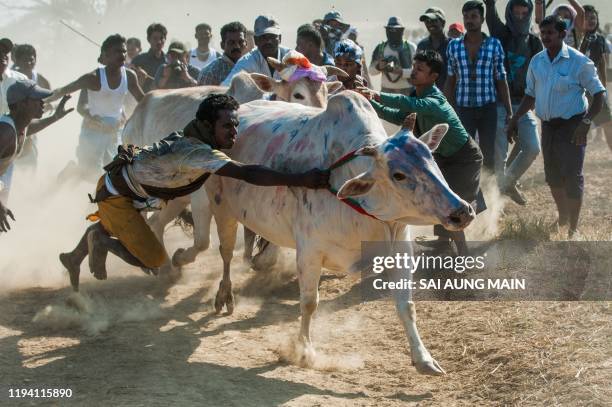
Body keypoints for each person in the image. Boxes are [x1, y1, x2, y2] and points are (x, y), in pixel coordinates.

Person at [59, 94, 330, 290]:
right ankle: (100, 240)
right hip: (120, 196)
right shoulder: (197, 153)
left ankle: (73, 258)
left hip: (116, 184)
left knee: (111, 221)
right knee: (154, 261)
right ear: (207, 125)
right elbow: (247, 173)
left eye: (236, 125)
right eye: (227, 126)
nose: (234, 133)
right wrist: (300, 179)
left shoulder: (193, 136)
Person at [358, 50, 483, 254]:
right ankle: (444, 243)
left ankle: (464, 254)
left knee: (454, 204)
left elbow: (409, 105)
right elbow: (397, 115)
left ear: (433, 77)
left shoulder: (434, 100)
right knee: (441, 197)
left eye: (420, 69)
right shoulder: (416, 95)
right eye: (414, 67)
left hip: (464, 158)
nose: (414, 72)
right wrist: (367, 100)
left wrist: (375, 94)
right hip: (443, 156)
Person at [507, 15, 605, 238]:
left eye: (550, 33)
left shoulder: (579, 62)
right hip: (549, 127)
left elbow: (599, 95)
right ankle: (563, 217)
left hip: (573, 126)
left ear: (562, 34)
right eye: (543, 33)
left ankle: (573, 228)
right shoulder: (537, 61)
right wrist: (515, 118)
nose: (545, 37)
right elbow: (530, 95)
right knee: (552, 175)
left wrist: (585, 124)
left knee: (572, 175)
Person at [49, 34, 145, 179]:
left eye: (124, 51)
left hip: (115, 132)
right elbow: (65, 91)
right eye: (117, 51)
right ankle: (71, 171)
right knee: (88, 173)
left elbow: (144, 102)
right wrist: (43, 100)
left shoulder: (130, 76)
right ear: (105, 55)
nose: (122, 55)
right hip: (93, 131)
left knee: (112, 173)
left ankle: (98, 199)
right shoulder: (93, 77)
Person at [484, 0, 543, 205]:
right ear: (509, 11)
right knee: (499, 156)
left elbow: (540, 73)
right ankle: (493, 210)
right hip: (499, 103)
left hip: (523, 103)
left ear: (528, 12)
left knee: (532, 147)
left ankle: (507, 183)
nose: (519, 15)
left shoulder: (534, 42)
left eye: (523, 11)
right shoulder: (501, 34)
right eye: (516, 10)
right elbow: (490, 12)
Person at [445, 0, 513, 172]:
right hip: (464, 107)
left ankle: (489, 192)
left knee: (488, 153)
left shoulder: (494, 45)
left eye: (474, 16)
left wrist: (510, 111)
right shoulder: (454, 46)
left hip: (487, 108)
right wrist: (446, 109)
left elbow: (501, 79)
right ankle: (472, 192)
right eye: (466, 17)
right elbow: (450, 79)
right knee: (467, 151)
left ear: (482, 19)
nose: (469, 20)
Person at [0, 80, 72, 232]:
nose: (42, 103)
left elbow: (29, 129)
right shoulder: (5, 133)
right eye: (37, 100)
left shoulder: (18, 125)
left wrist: (55, 117)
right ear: (21, 104)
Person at [12, 43, 52, 170]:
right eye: (25, 60)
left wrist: (48, 106)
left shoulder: (41, 81)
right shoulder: (10, 78)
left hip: (30, 129)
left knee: (29, 164)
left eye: (32, 59)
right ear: (17, 61)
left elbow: (48, 100)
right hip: (12, 127)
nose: (29, 63)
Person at [221, 15, 290, 86]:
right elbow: (227, 86)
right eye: (263, 37)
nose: (268, 41)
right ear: (256, 40)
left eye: (272, 37)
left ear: (280, 38)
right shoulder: (248, 61)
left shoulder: (291, 58)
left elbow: (302, 78)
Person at [579, 5, 612, 149]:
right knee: (579, 126)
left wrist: (604, 89)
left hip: (596, 89)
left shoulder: (600, 39)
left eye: (593, 17)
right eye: (586, 18)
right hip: (578, 90)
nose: (590, 21)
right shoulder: (575, 37)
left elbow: (602, 64)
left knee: (608, 123)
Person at [369, 17, 416, 96]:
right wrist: (379, 67)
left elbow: (417, 72)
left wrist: (400, 71)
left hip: (407, 91)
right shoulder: (380, 48)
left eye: (396, 31)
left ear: (402, 31)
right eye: (390, 30)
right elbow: (371, 71)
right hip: (386, 91)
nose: (393, 33)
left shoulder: (410, 47)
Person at [198, 21, 248, 86]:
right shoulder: (210, 73)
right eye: (231, 42)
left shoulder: (253, 66)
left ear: (246, 44)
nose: (237, 46)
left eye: (240, 42)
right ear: (222, 45)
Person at [417, 7, 450, 89]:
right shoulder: (422, 45)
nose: (430, 24)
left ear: (443, 22)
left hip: (449, 96)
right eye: (427, 21)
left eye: (434, 21)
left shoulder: (453, 45)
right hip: (427, 95)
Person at [130, 23, 167, 92]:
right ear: (148, 39)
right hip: (144, 100)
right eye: (155, 38)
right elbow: (131, 88)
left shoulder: (169, 62)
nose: (159, 42)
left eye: (162, 38)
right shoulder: (138, 60)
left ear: (165, 39)